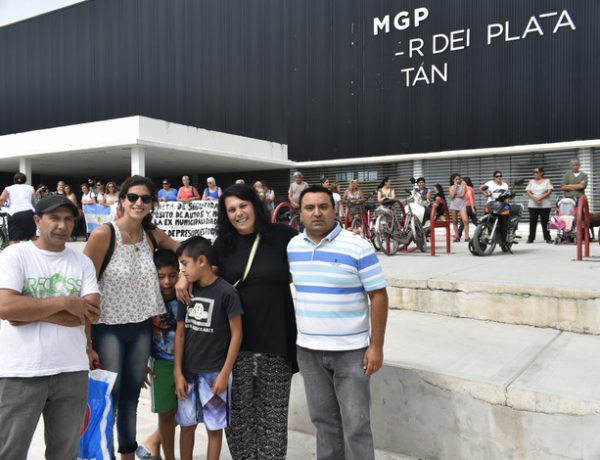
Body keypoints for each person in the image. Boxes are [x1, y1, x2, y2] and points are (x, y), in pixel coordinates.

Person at [287, 185, 388, 460]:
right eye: (309, 208)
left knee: (356, 425)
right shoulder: (293, 247)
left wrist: (376, 346)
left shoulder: (358, 246)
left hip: (351, 352)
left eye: (323, 207)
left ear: (335, 210)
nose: (316, 213)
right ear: (300, 212)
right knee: (324, 423)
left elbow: (378, 296)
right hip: (308, 351)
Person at [84, 175, 180, 459]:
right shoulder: (104, 235)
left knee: (130, 399)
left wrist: (186, 274)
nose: (139, 202)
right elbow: (85, 290)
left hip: (140, 329)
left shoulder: (152, 235)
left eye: (146, 198)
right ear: (123, 200)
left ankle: (127, 454)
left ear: (152, 203)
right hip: (108, 329)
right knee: (109, 399)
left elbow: (186, 251)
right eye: (133, 197)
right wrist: (87, 344)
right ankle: (103, 454)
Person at [0, 194, 100, 460]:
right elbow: (6, 307)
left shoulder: (82, 262)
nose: (62, 225)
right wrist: (66, 302)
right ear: (37, 220)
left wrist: (29, 312)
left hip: (71, 370)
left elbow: (90, 313)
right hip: (20, 370)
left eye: (68, 219)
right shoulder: (15, 255)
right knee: (10, 452)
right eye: (54, 218)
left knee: (65, 453)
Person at [213, 184, 298, 459]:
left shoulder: (283, 236)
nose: (238, 213)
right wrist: (181, 276)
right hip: (235, 347)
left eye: (243, 205)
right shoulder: (222, 245)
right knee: (238, 422)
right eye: (232, 210)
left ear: (255, 205)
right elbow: (202, 275)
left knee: (273, 420)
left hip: (276, 342)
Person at [174, 236, 243, 460]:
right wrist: (177, 372)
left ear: (202, 261)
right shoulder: (186, 292)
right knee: (186, 426)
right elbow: (180, 333)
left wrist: (224, 373)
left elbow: (237, 334)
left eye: (185, 264)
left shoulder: (227, 292)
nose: (182, 270)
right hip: (188, 373)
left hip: (215, 374)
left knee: (214, 428)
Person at [136, 250, 183, 460]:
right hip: (160, 364)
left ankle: (153, 442)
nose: (166, 282)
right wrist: (142, 363)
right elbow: (141, 332)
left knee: (186, 412)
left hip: (187, 363)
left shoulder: (185, 295)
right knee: (166, 414)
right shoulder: (146, 299)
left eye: (172, 275)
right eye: (161, 276)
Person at [0, 172, 36, 244]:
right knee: (32, 238)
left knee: (14, 239)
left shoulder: (9, 188)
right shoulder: (31, 188)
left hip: (14, 213)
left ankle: (14, 251)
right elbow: (34, 201)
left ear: (14, 180)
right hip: (29, 213)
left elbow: (1, 199)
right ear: (25, 180)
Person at [526, 167, 553, 243]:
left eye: (537, 172)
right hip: (532, 205)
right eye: (534, 172)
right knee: (532, 222)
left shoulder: (547, 181)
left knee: (545, 222)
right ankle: (531, 238)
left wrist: (540, 198)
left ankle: (548, 238)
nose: (535, 173)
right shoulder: (531, 181)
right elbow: (528, 192)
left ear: (541, 173)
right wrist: (535, 199)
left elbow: (549, 191)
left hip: (545, 205)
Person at [448, 173, 469, 242]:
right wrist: (455, 187)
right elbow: (451, 197)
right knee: (454, 221)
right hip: (454, 205)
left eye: (459, 179)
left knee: (465, 220)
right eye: (456, 179)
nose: (458, 180)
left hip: (462, 205)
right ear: (453, 180)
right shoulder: (451, 187)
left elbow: (462, 195)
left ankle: (467, 237)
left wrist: (455, 196)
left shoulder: (463, 185)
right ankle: (457, 237)